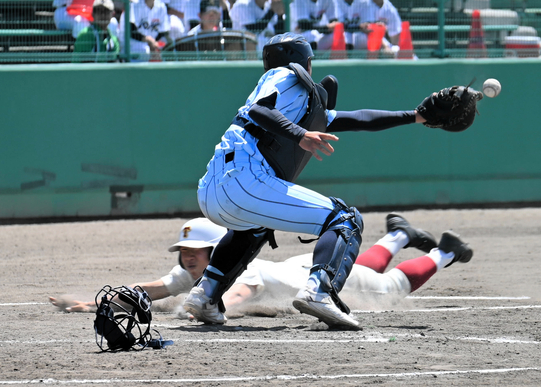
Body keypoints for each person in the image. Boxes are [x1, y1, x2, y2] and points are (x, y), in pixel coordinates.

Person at [185, 32, 473, 330]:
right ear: (302, 61)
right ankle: (319, 291)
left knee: (253, 229)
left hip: (214, 189)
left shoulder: (296, 103)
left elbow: (359, 119)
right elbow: (260, 110)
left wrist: (415, 116)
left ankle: (206, 295)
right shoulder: (284, 75)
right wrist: (301, 135)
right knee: (344, 218)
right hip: (244, 179)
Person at [49, 215, 473, 315]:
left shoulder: (240, 271)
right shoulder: (199, 271)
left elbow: (235, 297)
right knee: (361, 264)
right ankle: (399, 235)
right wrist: (98, 305)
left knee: (388, 288)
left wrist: (206, 312)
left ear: (218, 251)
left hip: (321, 281)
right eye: (184, 251)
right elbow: (155, 289)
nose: (186, 257)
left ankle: (444, 252)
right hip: (298, 267)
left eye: (194, 250)